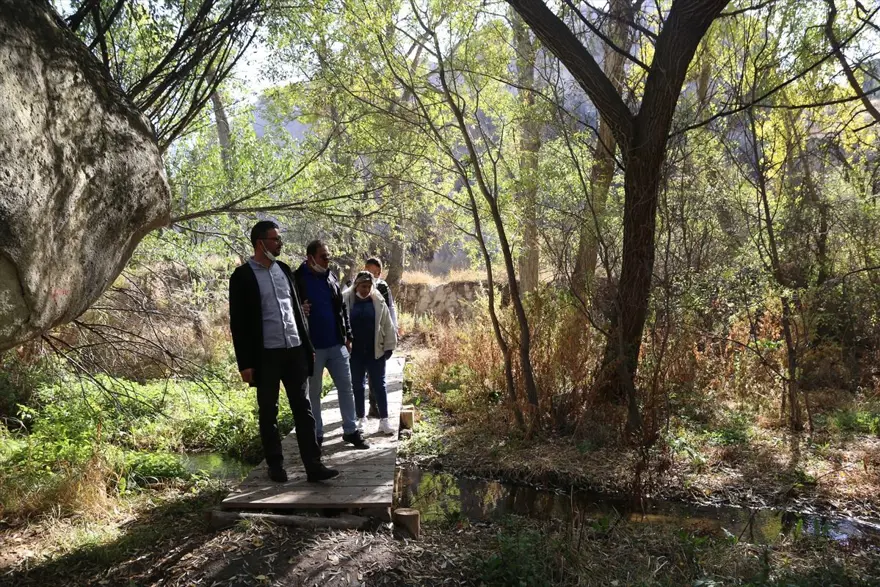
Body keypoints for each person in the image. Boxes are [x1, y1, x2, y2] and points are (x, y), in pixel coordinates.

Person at [228, 221, 339, 483]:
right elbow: (238, 323)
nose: (280, 244)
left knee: (304, 408)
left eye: (280, 239)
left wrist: (308, 347)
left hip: (295, 351)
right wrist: (244, 363)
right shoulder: (242, 276)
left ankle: (314, 466)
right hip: (265, 355)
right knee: (269, 411)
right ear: (260, 243)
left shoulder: (285, 271)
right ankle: (275, 466)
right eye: (275, 239)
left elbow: (298, 313)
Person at [293, 240, 369, 450]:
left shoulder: (331, 277)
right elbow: (289, 309)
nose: (328, 260)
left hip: (337, 343)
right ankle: (317, 435)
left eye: (328, 256)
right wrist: (299, 308)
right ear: (310, 258)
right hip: (312, 348)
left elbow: (341, 309)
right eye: (323, 257)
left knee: (347, 387)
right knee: (314, 393)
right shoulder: (297, 279)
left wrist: (348, 336)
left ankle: (351, 431)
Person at [343, 271, 398, 434]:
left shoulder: (378, 301)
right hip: (355, 352)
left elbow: (388, 325)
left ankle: (384, 420)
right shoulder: (346, 300)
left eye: (368, 286)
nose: (366, 289)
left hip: (375, 350)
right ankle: (361, 418)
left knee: (379, 385)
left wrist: (389, 346)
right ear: (356, 286)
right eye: (363, 286)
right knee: (357, 386)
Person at [363, 257, 398, 418]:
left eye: (377, 273)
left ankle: (374, 405)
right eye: (371, 272)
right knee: (359, 376)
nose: (374, 275)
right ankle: (358, 412)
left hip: (378, 336)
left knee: (375, 373)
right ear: (365, 268)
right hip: (359, 337)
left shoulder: (382, 286)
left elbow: (390, 309)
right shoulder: (354, 285)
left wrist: (393, 331)